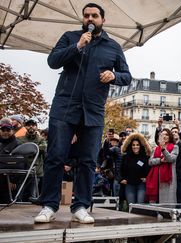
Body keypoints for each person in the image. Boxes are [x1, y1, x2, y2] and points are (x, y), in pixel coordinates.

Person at [35, 3, 132, 224]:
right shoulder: (70, 37)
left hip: (93, 110)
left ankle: (81, 206)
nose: (90, 18)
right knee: (55, 156)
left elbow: (127, 76)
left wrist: (114, 76)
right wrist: (77, 46)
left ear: (102, 20)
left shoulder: (114, 46)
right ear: (83, 18)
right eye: (87, 15)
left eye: (95, 15)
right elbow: (52, 61)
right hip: (64, 107)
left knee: (88, 160)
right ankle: (49, 205)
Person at [17, 119, 47, 200]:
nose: (31, 126)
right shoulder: (19, 139)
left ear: (36, 127)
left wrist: (28, 148)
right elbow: (18, 149)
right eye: (28, 125)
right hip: (22, 170)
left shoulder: (41, 139)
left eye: (33, 125)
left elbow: (43, 147)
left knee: (33, 195)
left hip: (36, 171)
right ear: (25, 127)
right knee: (19, 195)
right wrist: (35, 148)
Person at [147, 128, 178, 203]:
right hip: (156, 178)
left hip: (168, 180)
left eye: (166, 135)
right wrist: (160, 160)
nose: (164, 136)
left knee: (167, 203)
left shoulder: (175, 147)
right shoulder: (156, 149)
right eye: (162, 135)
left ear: (170, 136)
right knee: (155, 202)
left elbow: (171, 159)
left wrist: (163, 149)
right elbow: (150, 162)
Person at [120, 133, 152, 204]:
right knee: (131, 206)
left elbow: (150, 170)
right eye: (133, 145)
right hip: (129, 184)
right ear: (130, 146)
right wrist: (122, 179)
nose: (135, 147)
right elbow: (121, 169)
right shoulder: (126, 157)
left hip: (141, 184)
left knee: (140, 205)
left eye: (137, 145)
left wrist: (147, 178)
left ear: (140, 146)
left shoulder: (145, 157)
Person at [0, 118, 20, 203]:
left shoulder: (17, 145)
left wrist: (13, 180)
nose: (5, 132)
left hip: (9, 180)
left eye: (8, 130)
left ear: (12, 131)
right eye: (3, 130)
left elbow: (19, 164)